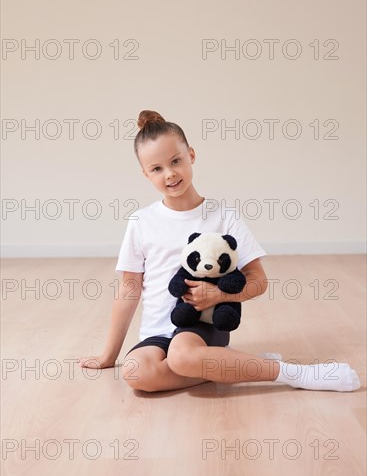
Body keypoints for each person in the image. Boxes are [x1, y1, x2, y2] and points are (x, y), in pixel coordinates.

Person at [78, 110, 361, 394]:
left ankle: (293, 374)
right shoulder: (141, 221)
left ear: (191, 155)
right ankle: (232, 365)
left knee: (181, 356)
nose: (170, 173)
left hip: (203, 325)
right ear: (145, 174)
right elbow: (129, 288)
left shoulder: (224, 217)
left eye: (176, 160)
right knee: (136, 373)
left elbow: (258, 281)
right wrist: (108, 356)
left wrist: (221, 295)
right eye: (157, 169)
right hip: (158, 334)